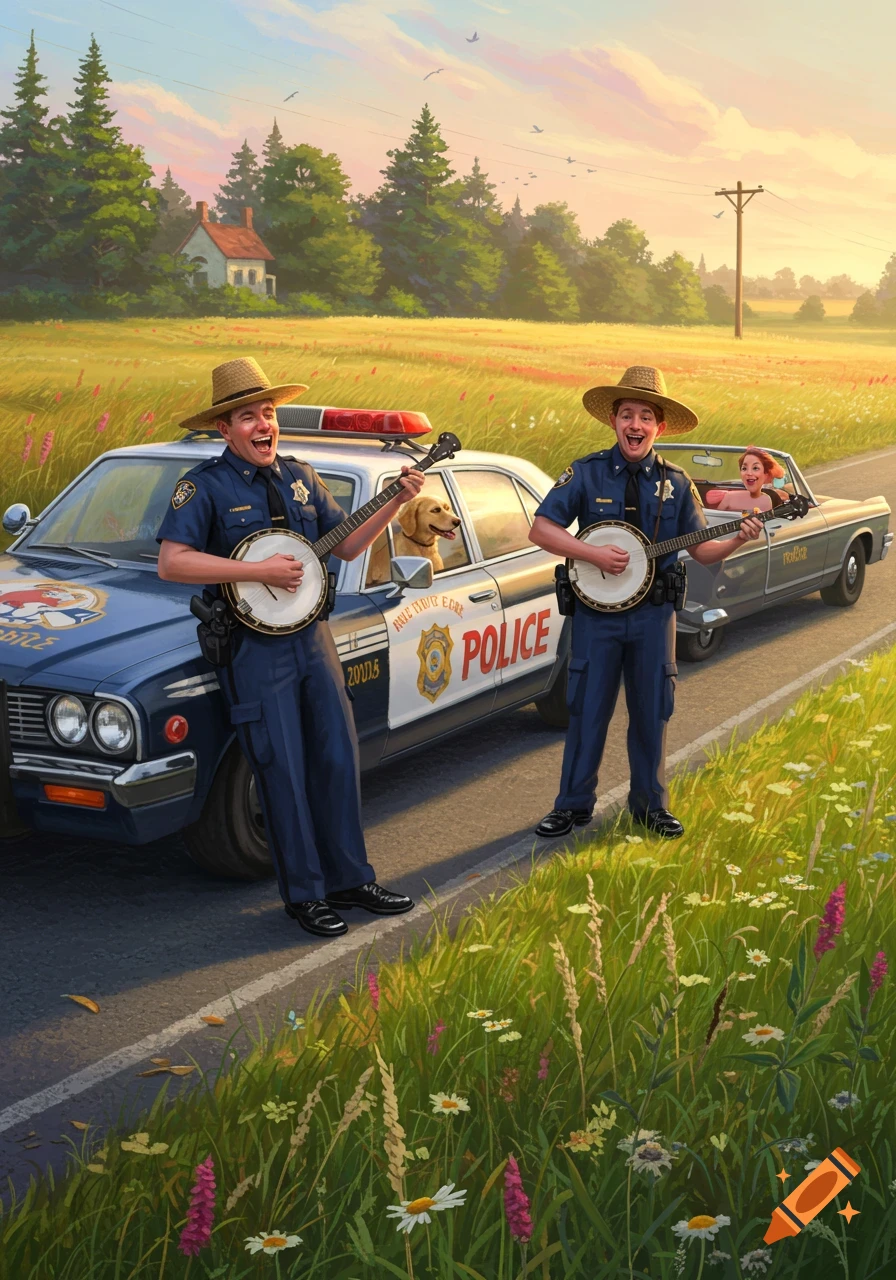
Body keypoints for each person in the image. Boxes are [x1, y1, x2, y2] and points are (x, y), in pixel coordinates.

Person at [157, 357, 425, 938]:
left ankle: (351, 880)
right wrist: (249, 569)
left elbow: (347, 546)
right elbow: (172, 561)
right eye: (247, 416)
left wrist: (394, 503)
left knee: (336, 758)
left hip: (313, 639)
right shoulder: (203, 486)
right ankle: (305, 895)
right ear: (224, 429)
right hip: (255, 650)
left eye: (269, 413)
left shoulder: (301, 475)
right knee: (281, 770)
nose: (262, 425)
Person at [529, 365, 764, 841]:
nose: (636, 425)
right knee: (586, 709)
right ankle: (572, 805)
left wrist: (738, 539)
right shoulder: (586, 472)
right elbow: (541, 529)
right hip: (597, 617)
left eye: (645, 417)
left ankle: (650, 806)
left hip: (655, 616)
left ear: (658, 427)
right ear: (614, 421)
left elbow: (701, 549)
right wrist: (592, 553)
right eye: (627, 415)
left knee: (653, 709)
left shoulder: (677, 483)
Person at [709, 446, 785, 513]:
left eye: (755, 468)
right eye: (744, 468)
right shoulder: (729, 497)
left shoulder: (766, 500)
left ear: (765, 474)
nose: (749, 473)